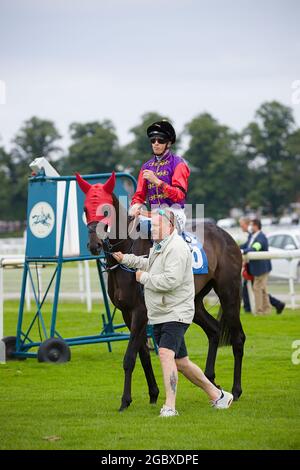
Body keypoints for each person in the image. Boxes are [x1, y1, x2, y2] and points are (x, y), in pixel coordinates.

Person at [113, 208, 233, 417]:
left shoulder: (176, 247)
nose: (152, 229)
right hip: (162, 312)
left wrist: (143, 279)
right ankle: (219, 395)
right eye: (152, 226)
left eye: (157, 226)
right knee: (182, 362)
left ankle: (170, 406)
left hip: (176, 312)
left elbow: (170, 281)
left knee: (165, 355)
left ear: (169, 227)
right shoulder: (159, 246)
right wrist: (125, 259)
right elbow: (147, 263)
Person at [129, 120, 190, 233]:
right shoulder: (146, 166)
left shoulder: (178, 163)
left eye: (160, 140)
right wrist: (135, 205)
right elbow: (139, 195)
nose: (156, 143)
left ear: (169, 143)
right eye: (153, 140)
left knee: (159, 225)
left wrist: (158, 182)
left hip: (174, 213)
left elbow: (180, 195)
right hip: (152, 214)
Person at [241, 219, 285, 315]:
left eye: (251, 225)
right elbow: (245, 245)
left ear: (256, 226)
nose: (250, 227)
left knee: (257, 288)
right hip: (256, 268)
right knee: (263, 290)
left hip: (262, 268)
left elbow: (256, 247)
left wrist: (244, 251)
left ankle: (259, 311)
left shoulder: (261, 237)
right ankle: (267, 310)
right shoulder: (252, 236)